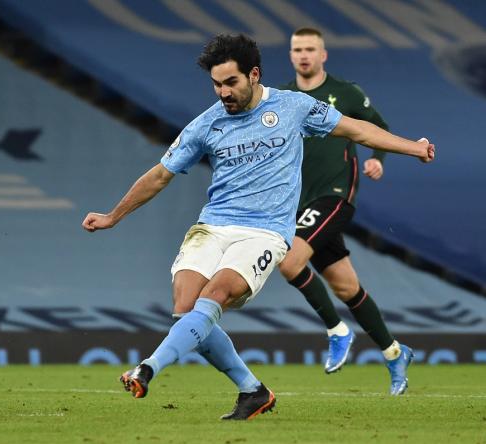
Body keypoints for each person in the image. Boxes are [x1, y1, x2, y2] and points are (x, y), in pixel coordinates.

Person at [82, 33, 434, 420]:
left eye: (230, 83)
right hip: (213, 225)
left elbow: (357, 129)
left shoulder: (294, 106)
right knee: (186, 309)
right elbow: (160, 175)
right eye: (216, 84)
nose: (223, 93)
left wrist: (412, 148)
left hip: (265, 231)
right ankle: (253, 391)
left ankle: (147, 367)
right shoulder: (206, 124)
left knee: (215, 296)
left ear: (253, 75)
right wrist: (114, 215)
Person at [278, 27, 414, 395]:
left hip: (336, 194)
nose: (303, 55)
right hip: (300, 202)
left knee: (288, 261)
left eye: (310, 49)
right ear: (291, 55)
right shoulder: (281, 98)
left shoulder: (346, 93)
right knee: (346, 287)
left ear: (323, 55)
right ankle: (394, 352)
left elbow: (379, 127)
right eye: (297, 49)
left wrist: (378, 158)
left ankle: (336, 331)